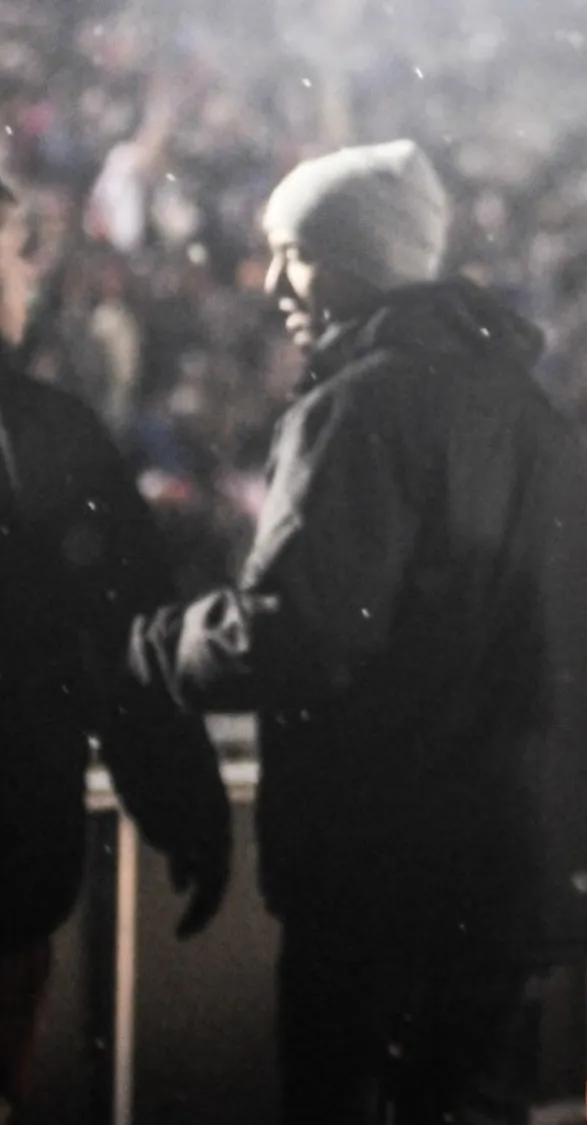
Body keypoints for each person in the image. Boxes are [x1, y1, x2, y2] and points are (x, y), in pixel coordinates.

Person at [123, 140, 587, 1125]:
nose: (272, 284)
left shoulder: (360, 406)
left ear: (361, 259)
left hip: (382, 869)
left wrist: (162, 645)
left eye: (294, 254)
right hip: (504, 870)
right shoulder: (527, 408)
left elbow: (299, 636)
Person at [0, 174, 231, 1119]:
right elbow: (122, 636)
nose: (27, 279)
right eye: (13, 254)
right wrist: (182, 801)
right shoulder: (44, 435)